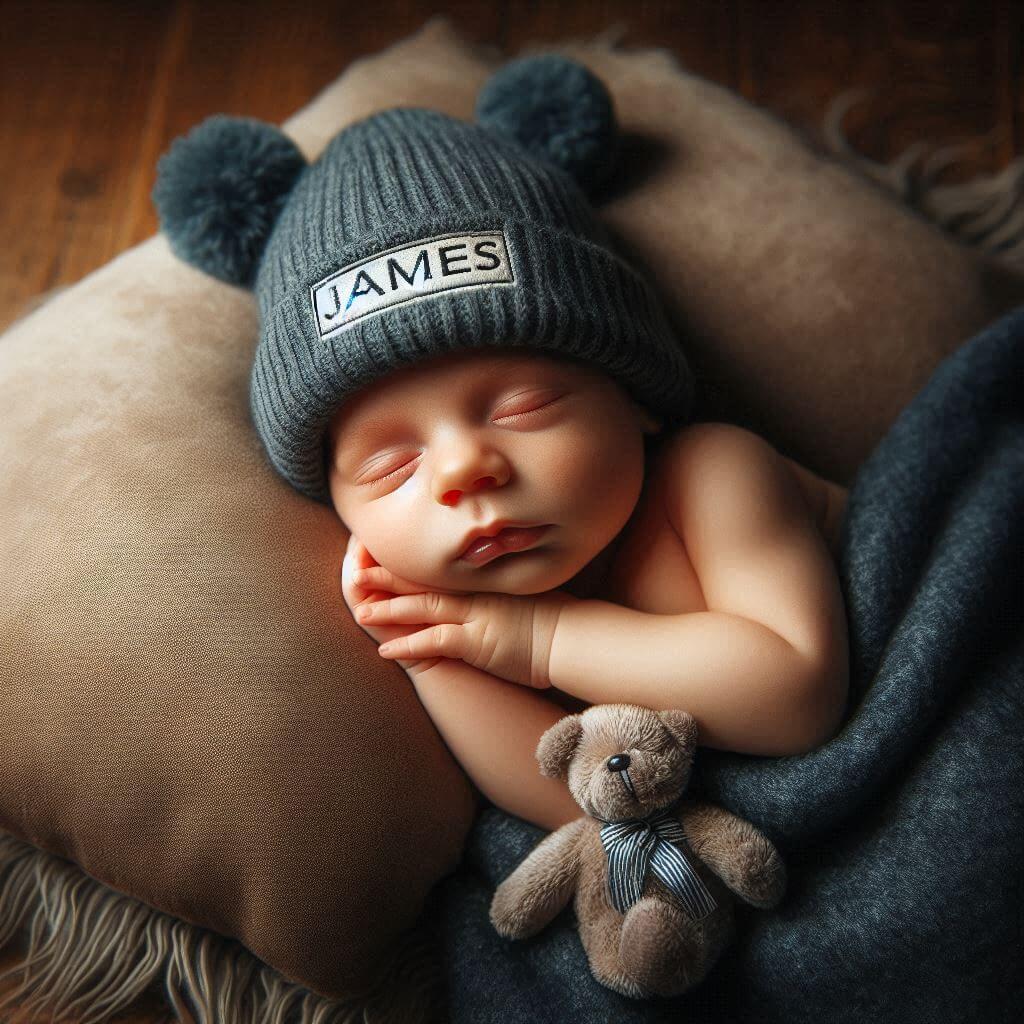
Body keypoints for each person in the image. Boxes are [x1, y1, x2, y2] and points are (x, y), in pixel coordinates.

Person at [152, 54, 849, 832]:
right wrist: (433, 658)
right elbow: (578, 809)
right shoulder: (471, 617)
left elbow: (796, 695)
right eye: (391, 465)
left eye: (523, 407)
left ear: (636, 399)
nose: (463, 468)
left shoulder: (711, 473)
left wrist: (537, 640)